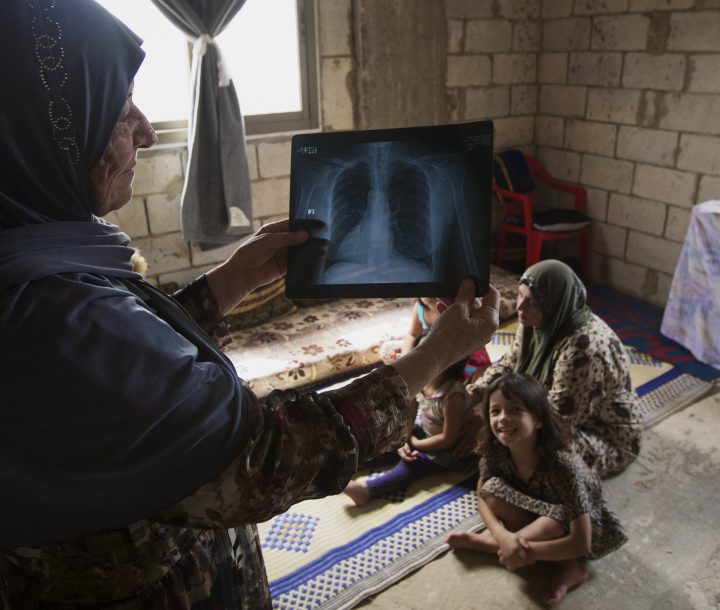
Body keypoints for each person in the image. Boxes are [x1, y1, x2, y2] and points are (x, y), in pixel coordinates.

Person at [0, 2, 500, 608]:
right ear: (46, 130)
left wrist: (229, 282)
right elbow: (267, 457)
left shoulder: (34, 252)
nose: (146, 130)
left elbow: (131, 359)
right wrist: (436, 352)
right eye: (119, 110)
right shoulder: (49, 314)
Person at [446, 373, 627, 606]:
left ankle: (570, 569)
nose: (503, 419)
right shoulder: (496, 449)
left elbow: (582, 542)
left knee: (555, 519)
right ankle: (505, 543)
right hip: (534, 506)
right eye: (495, 411)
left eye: (515, 410)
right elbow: (482, 494)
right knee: (491, 491)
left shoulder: (563, 465)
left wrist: (520, 551)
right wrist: (503, 536)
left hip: (577, 526)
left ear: (539, 420)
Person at [465, 259, 643, 477]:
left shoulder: (584, 350)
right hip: (550, 411)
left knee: (535, 455)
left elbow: (556, 423)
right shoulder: (536, 322)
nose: (520, 307)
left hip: (600, 434)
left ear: (555, 304)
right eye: (520, 295)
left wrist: (488, 425)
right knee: (469, 405)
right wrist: (474, 396)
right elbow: (510, 364)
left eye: (532, 302)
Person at [344, 332, 474, 506]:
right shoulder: (423, 380)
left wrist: (415, 444)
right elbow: (410, 413)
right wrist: (404, 438)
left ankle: (366, 491)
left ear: (447, 362)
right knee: (389, 442)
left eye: (426, 357)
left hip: (447, 450)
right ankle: (350, 464)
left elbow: (448, 438)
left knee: (411, 464)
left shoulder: (452, 397)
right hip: (423, 431)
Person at [381, 296, 492, 380]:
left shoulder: (453, 310)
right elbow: (412, 334)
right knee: (388, 350)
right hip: (428, 349)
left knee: (472, 377)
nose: (425, 295)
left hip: (456, 357)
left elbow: (461, 349)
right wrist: (406, 357)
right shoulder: (420, 308)